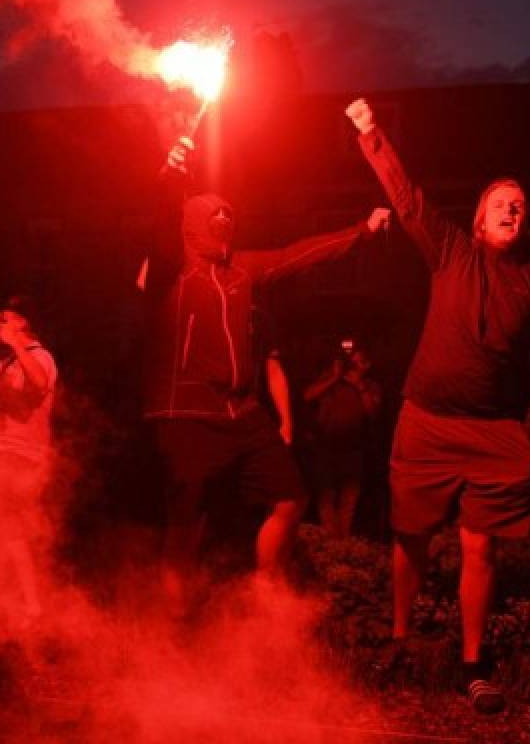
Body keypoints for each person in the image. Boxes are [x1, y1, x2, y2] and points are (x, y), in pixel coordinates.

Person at [346, 99, 530, 713]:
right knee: (410, 536)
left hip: (495, 432)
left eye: (520, 205)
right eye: (501, 202)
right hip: (426, 419)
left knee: (480, 546)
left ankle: (472, 664)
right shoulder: (450, 252)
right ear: (478, 218)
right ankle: (398, 640)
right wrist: (371, 134)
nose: (513, 208)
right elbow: (409, 198)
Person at [140, 133, 390, 610]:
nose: (224, 223)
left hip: (241, 413)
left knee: (291, 496)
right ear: (190, 223)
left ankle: (265, 592)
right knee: (186, 524)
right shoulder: (171, 270)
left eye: (229, 217)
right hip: (185, 411)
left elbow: (299, 254)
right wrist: (170, 175)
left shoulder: (243, 271)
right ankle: (171, 624)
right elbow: (158, 218)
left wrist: (361, 232)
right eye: (213, 216)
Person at [0, 295, 59, 625]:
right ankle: (18, 601)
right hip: (2, 452)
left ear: (22, 324)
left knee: (13, 531)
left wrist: (16, 346)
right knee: (1, 529)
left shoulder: (40, 356)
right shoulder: (6, 362)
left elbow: (40, 385)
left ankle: (32, 605)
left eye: (4, 318)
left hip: (24, 456)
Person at [303, 340, 382, 538]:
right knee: (326, 500)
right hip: (325, 449)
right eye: (353, 362)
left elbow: (373, 413)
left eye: (360, 362)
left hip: (354, 451)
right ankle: (332, 544)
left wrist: (359, 387)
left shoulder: (371, 386)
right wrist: (334, 378)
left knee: (348, 504)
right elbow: (307, 396)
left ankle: (344, 544)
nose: (355, 366)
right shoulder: (329, 381)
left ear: (368, 365)